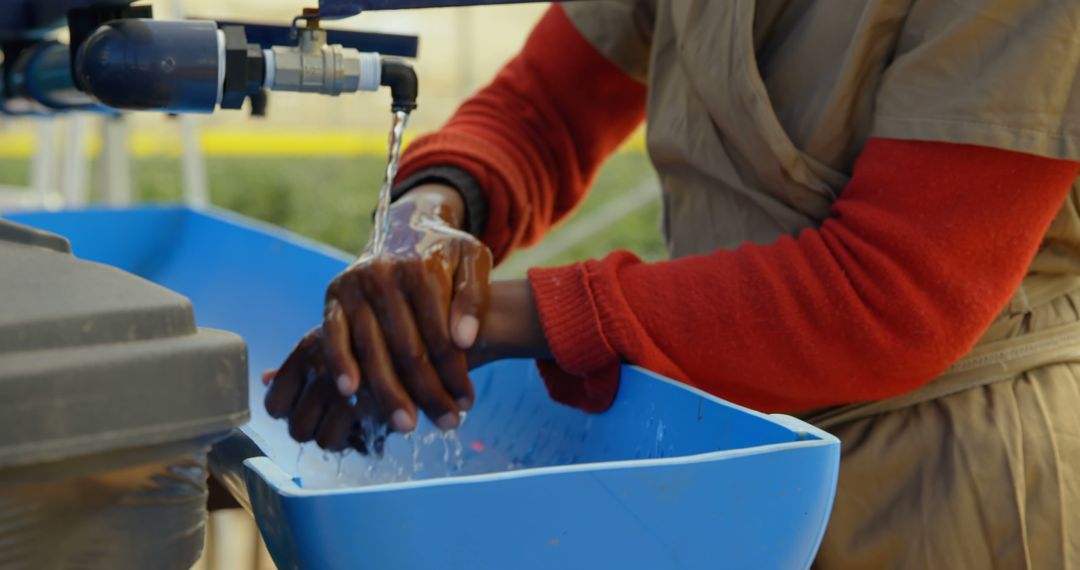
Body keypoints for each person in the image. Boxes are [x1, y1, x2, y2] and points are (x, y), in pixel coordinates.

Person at [264, 2, 1080, 567]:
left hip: (950, 481)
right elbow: (545, 108)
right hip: (724, 451)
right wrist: (425, 222)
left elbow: (894, 293)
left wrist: (480, 318)